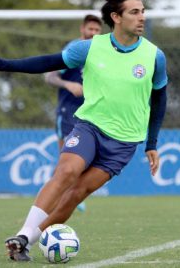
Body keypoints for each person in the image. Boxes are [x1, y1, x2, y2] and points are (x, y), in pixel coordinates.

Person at [0, 0, 168, 261]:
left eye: (143, 11)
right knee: (67, 172)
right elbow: (47, 62)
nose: (142, 17)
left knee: (76, 193)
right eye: (135, 12)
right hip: (89, 126)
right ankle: (22, 233)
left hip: (125, 142)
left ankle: (26, 242)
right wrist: (2, 64)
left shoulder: (154, 56)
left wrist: (151, 143)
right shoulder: (90, 47)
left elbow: (160, 98)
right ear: (116, 17)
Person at [45, 14, 103, 212]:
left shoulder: (102, 52)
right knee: (67, 158)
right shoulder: (72, 50)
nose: (93, 33)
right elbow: (49, 77)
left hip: (90, 113)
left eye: (97, 31)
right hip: (68, 110)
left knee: (80, 159)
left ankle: (63, 196)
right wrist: (68, 84)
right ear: (82, 29)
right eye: (90, 29)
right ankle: (52, 201)